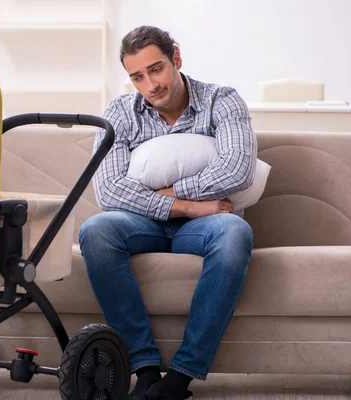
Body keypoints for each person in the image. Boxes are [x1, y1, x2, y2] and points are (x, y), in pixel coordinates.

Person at [79, 26, 257, 400]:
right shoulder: (119, 111)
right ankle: (143, 369)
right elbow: (108, 189)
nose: (150, 85)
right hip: (145, 223)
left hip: (206, 225)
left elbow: (237, 168)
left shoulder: (222, 101)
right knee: (96, 230)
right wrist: (188, 204)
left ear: (176, 58)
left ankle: (180, 377)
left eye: (156, 69)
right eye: (137, 77)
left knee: (235, 232)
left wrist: (175, 192)